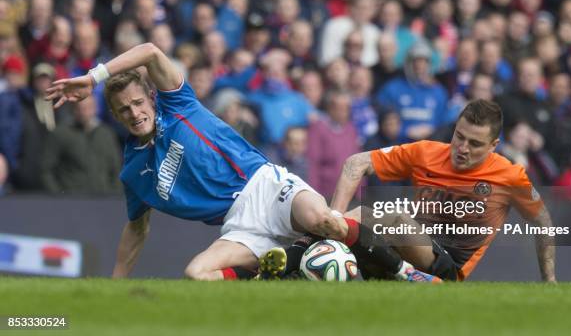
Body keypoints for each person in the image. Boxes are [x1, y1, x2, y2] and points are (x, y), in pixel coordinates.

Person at [45, 42, 437, 282]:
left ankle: (407, 274)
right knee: (196, 274)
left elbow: (149, 51)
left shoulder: (178, 104)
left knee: (325, 222)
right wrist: (115, 285)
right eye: (122, 110)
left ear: (150, 97)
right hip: (238, 225)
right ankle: (285, 268)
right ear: (115, 117)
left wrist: (94, 77)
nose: (133, 113)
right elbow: (136, 229)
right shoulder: (133, 172)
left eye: (136, 102)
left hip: (266, 187)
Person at [265, 100, 556, 282]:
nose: (462, 148)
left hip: (446, 267)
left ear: (493, 146)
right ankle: (280, 269)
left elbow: (543, 221)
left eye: (475, 144)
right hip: (396, 252)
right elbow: (356, 163)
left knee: (389, 217)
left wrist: (550, 280)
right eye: (459, 137)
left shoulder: (510, 175)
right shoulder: (427, 152)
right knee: (346, 235)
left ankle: (294, 254)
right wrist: (335, 216)